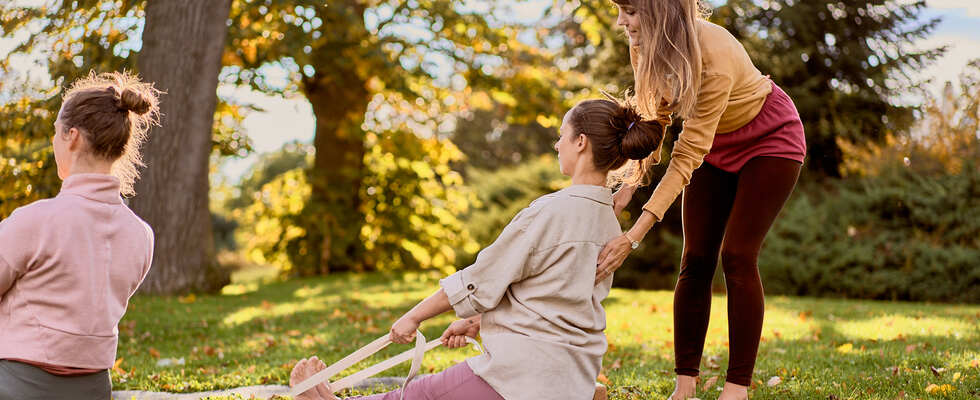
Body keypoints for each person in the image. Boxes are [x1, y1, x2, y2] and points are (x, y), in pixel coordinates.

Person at [289, 97, 665, 400]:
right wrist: (478, 322)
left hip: (520, 380)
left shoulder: (551, 211)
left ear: (580, 142)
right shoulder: (609, 223)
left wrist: (414, 317)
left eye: (562, 135)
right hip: (572, 374)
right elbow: (556, 298)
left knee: (419, 395)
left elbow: (480, 280)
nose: (556, 144)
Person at [594, 1, 808, 399]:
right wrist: (621, 196)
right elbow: (656, 123)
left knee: (738, 256)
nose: (621, 22)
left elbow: (686, 156)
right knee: (695, 259)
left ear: (659, 11)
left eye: (630, 11)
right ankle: (684, 386)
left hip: (771, 137)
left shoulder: (712, 52)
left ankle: (736, 388)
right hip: (716, 144)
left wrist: (634, 236)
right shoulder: (643, 44)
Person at [0, 71, 160, 400]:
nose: (55, 143)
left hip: (16, 385)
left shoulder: (34, 221)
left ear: (71, 137)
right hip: (94, 389)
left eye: (56, 134)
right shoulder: (141, 235)